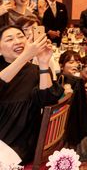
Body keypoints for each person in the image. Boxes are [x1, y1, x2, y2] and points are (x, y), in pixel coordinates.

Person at [0, 26, 63, 162]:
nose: (17, 41)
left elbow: (47, 102)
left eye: (20, 36)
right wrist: (25, 56)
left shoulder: (35, 71)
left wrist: (43, 63)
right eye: (9, 39)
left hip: (21, 142)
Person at [57, 50, 87, 161]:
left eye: (77, 62)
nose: (75, 65)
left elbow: (83, 109)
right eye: (71, 62)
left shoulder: (78, 81)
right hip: (62, 120)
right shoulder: (60, 80)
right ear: (61, 65)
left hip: (75, 120)